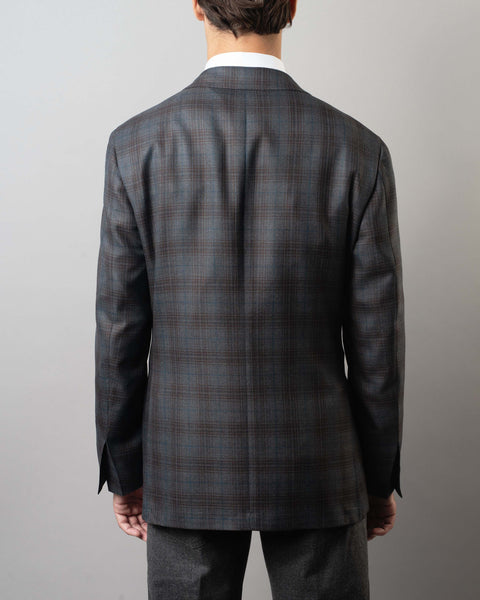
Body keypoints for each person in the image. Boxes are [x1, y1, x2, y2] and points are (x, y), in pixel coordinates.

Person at [94, 1, 405, 598]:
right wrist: (375, 476)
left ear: (197, 6)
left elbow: (119, 330)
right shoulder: (358, 149)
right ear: (292, 7)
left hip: (185, 462)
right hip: (320, 464)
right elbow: (377, 344)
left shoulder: (135, 145)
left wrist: (126, 470)